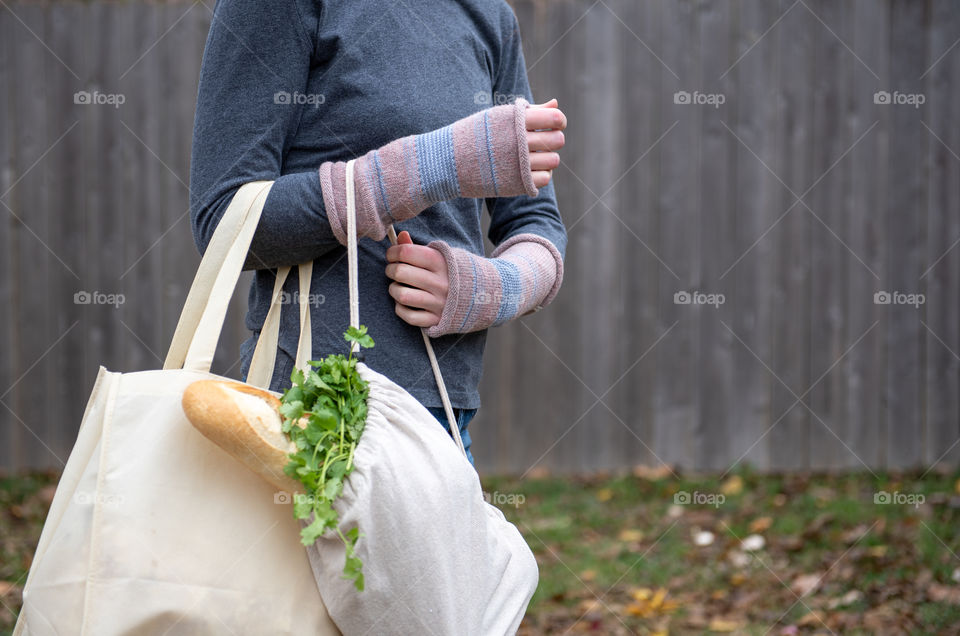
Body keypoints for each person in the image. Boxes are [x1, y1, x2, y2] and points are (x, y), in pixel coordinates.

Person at [189, 0, 568, 466]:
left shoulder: (489, 14)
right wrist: (437, 163)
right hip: (319, 417)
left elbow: (537, 223)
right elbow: (223, 223)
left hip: (448, 419)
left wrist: (488, 289)